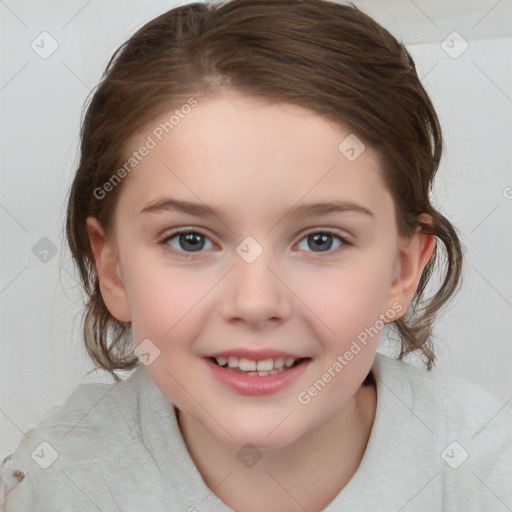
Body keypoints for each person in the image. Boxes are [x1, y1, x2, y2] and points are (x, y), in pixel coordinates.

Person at [1, 0, 511, 510]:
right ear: (113, 271)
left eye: (321, 240)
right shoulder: (56, 483)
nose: (255, 302)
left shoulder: (487, 474)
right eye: (191, 240)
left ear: (402, 272)